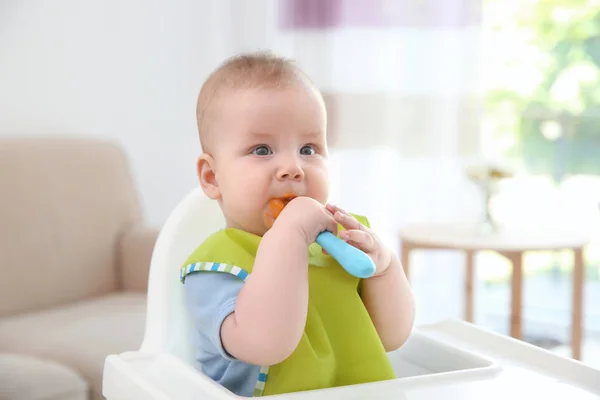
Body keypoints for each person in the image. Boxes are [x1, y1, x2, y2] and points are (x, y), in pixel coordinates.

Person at [181, 51, 415, 397]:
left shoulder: (342, 241)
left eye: (308, 148)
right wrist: (289, 237)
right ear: (213, 176)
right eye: (261, 150)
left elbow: (392, 337)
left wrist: (382, 268)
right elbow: (266, 344)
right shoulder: (215, 265)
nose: (293, 167)